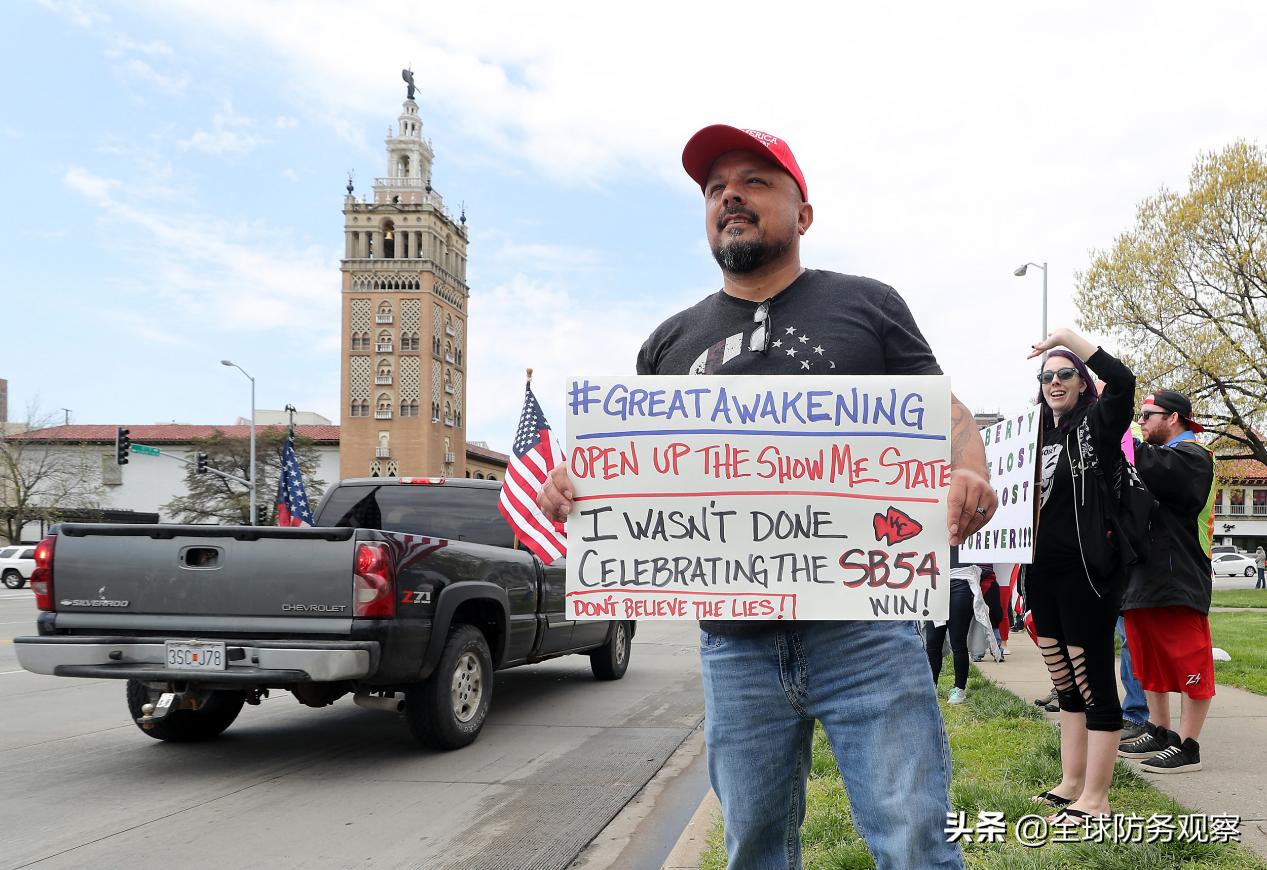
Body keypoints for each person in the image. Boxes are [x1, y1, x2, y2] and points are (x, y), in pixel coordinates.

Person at [537, 125, 997, 869]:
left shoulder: (868, 306)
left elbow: (945, 412)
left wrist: (966, 468)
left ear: (802, 213)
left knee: (913, 840)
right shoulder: (667, 343)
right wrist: (573, 482)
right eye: (715, 188)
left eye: (753, 180)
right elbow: (635, 468)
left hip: (865, 635)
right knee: (751, 847)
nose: (730, 196)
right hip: (733, 648)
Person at [1024, 328, 1133, 822]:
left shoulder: (1097, 423)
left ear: (1083, 381)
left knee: (1092, 683)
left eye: (1064, 373)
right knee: (1064, 681)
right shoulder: (1035, 434)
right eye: (1046, 376)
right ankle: (1072, 783)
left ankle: (1098, 796)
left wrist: (1069, 339)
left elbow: (1124, 381)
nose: (1054, 382)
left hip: (1087, 572)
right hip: (1041, 571)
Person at [1116, 390, 1216, 773]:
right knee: (1149, 664)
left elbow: (1144, 460)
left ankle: (1189, 745)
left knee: (1191, 665)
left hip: (1179, 579)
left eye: (1146, 415)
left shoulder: (1194, 457)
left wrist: (1114, 410)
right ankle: (1161, 731)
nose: (1140, 423)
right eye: (1137, 415)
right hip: (1144, 579)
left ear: (1173, 418)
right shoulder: (1165, 455)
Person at [924, 550, 977, 704]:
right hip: (934, 583)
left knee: (958, 642)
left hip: (960, 582)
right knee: (933, 643)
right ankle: (931, 686)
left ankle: (959, 688)